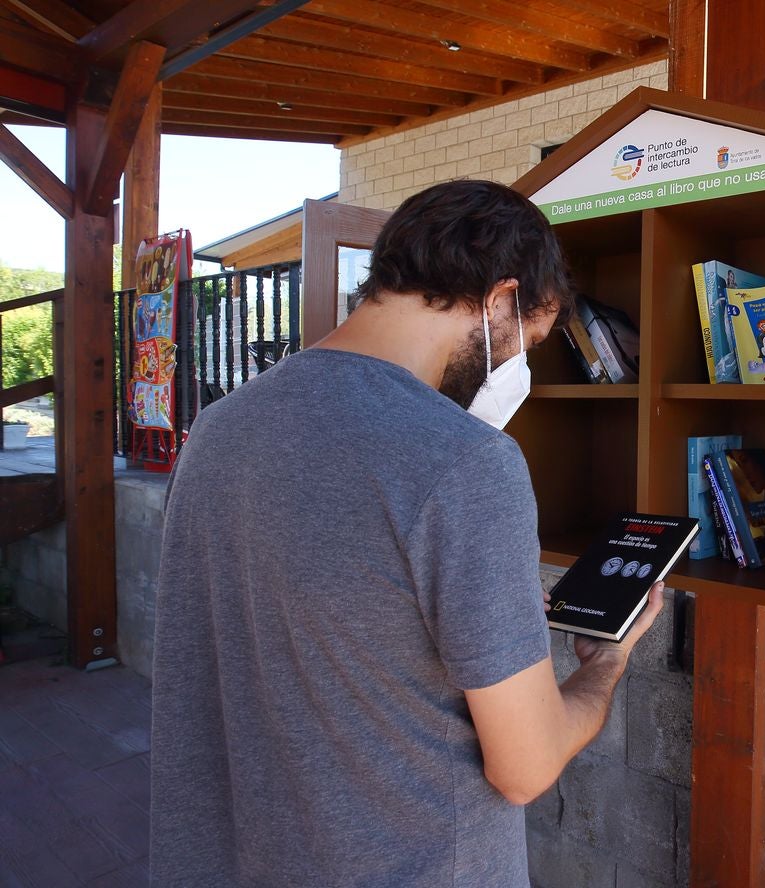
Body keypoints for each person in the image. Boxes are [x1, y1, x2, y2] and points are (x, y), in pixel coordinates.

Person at [150, 180, 664, 887]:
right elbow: (527, 766)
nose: (519, 370)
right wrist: (604, 666)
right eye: (530, 343)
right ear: (501, 299)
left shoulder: (217, 427)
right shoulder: (467, 462)